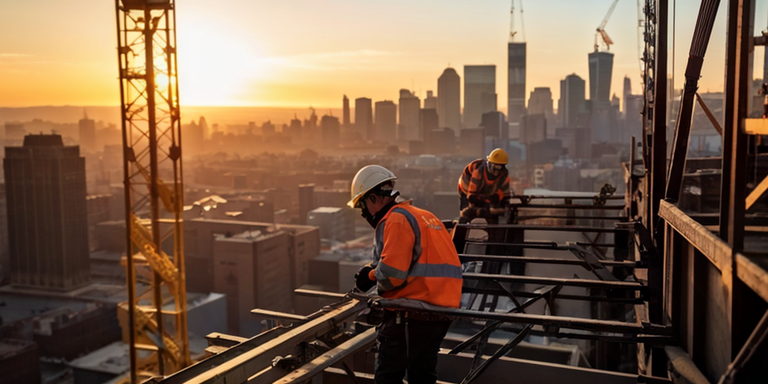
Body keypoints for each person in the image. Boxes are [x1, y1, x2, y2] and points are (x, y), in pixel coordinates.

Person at [348, 165, 463, 384]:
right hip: (441, 311)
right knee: (421, 376)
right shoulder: (425, 216)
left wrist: (369, 276)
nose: (364, 214)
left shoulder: (396, 219)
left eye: (363, 206)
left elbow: (393, 276)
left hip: (412, 314)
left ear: (374, 198)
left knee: (388, 377)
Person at [457, 148, 512, 224]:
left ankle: (493, 234)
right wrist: (483, 206)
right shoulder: (478, 171)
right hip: (467, 191)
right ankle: (460, 232)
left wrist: (497, 199)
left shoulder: (504, 175)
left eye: (499, 168)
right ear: (489, 164)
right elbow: (471, 197)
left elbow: (505, 193)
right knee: (467, 214)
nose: (496, 172)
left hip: (486, 193)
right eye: (494, 168)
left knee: (493, 216)